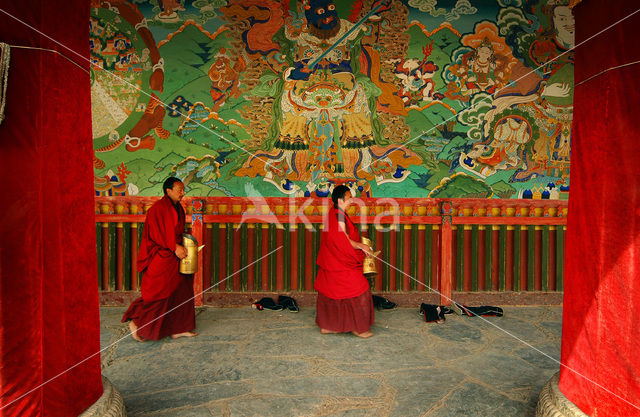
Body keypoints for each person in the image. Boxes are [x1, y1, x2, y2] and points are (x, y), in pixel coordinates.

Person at [121, 177, 197, 341]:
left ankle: (178, 328)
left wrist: (185, 244)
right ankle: (137, 321)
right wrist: (174, 247)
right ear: (168, 191)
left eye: (183, 190)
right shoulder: (158, 209)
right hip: (162, 256)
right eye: (179, 190)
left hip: (174, 254)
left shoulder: (177, 208)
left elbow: (176, 231)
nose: (182, 193)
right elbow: (157, 234)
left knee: (182, 289)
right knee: (160, 292)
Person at [314, 185, 375, 338]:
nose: (351, 200)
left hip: (332, 259)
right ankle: (358, 328)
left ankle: (328, 326)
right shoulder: (338, 216)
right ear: (340, 200)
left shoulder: (337, 213)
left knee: (331, 291)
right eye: (349, 198)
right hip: (340, 260)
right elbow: (344, 241)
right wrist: (361, 246)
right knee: (360, 288)